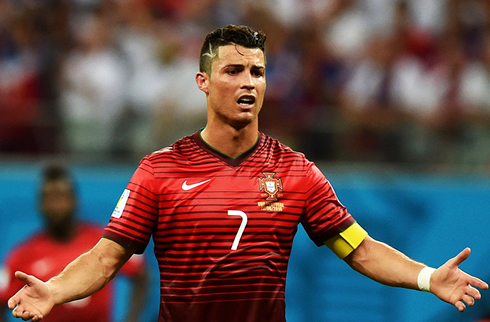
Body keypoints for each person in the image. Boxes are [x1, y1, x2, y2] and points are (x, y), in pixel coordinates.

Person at [7, 25, 488, 322]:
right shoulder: (160, 169)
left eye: (257, 72)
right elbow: (106, 259)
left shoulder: (296, 172)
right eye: (233, 71)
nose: (248, 83)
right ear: (203, 82)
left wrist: (428, 278)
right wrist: (55, 291)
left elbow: (359, 251)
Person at [0, 164, 148, 322]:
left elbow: (141, 273)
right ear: (40, 204)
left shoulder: (103, 241)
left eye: (60, 197)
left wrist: (132, 319)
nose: (55, 206)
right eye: (48, 198)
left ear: (74, 200)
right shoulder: (23, 254)